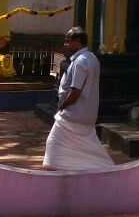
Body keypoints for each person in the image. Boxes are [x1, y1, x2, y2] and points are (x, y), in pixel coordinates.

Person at [42, 27, 114, 171]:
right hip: (86, 115)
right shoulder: (92, 59)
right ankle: (105, 168)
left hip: (72, 115)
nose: (65, 45)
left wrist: (61, 106)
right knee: (89, 148)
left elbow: (75, 92)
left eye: (68, 41)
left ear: (78, 42)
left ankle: (51, 178)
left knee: (53, 145)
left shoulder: (81, 62)